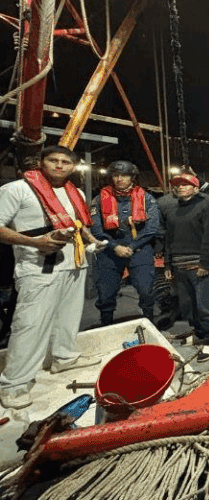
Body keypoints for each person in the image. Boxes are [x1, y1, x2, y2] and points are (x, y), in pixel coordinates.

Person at [0, 146, 105, 409]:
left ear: (73, 166)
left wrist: (92, 242)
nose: (59, 165)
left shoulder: (77, 192)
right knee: (30, 326)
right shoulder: (17, 190)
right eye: (53, 160)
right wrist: (35, 242)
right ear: (41, 163)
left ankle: (64, 357)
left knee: (68, 318)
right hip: (38, 268)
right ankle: (14, 385)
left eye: (65, 162)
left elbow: (78, 225)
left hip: (74, 264)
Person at [90, 160, 160, 326]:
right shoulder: (99, 199)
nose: (119, 179)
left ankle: (149, 324)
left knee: (146, 290)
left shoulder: (147, 199)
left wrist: (131, 247)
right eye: (115, 175)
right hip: (110, 249)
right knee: (106, 293)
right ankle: (106, 326)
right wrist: (115, 247)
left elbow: (152, 228)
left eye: (124, 175)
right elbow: (96, 230)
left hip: (140, 248)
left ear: (132, 177)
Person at [161, 171, 209, 362]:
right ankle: (198, 333)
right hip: (179, 265)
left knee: (205, 304)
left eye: (185, 184)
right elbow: (169, 239)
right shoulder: (172, 209)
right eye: (177, 185)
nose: (180, 187)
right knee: (188, 304)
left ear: (195, 188)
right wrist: (168, 264)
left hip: (199, 265)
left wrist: (205, 263)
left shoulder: (205, 205)